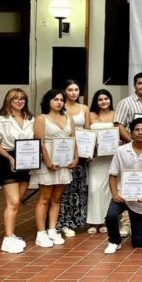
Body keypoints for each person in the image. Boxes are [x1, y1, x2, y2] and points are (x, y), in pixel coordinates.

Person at [103, 117, 142, 254]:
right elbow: (112, 175)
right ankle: (114, 241)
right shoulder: (121, 151)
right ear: (131, 132)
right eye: (137, 130)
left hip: (140, 198)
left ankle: (135, 230)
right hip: (122, 194)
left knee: (138, 243)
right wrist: (114, 194)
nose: (140, 132)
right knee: (111, 216)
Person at [0, 87, 35, 254]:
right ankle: (7, 239)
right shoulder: (0, 120)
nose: (19, 101)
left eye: (22, 98)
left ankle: (12, 234)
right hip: (7, 161)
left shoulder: (31, 119)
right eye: (16, 98)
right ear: (9, 101)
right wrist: (9, 157)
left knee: (17, 201)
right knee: (13, 202)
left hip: (26, 160)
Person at [32, 89, 77, 248]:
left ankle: (52, 229)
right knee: (44, 198)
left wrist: (75, 158)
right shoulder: (41, 119)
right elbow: (40, 143)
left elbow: (73, 139)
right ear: (48, 101)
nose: (59, 102)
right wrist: (48, 162)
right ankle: (41, 233)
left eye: (61, 100)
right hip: (48, 163)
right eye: (55, 99)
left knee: (57, 198)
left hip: (64, 162)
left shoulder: (68, 117)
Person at [57, 79, 89, 238]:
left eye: (76, 89)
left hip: (81, 153)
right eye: (70, 89)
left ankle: (74, 221)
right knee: (63, 189)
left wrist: (89, 151)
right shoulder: (59, 106)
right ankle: (61, 222)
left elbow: (88, 131)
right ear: (64, 91)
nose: (73, 92)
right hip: (63, 152)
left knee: (78, 188)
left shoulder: (84, 108)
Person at [86, 89, 116, 234]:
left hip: (111, 157)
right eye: (100, 99)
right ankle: (93, 221)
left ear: (110, 100)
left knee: (108, 189)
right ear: (96, 102)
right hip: (95, 158)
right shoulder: (90, 115)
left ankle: (105, 220)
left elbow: (120, 132)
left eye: (106, 98)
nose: (103, 102)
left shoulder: (115, 114)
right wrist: (88, 151)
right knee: (94, 188)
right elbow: (86, 134)